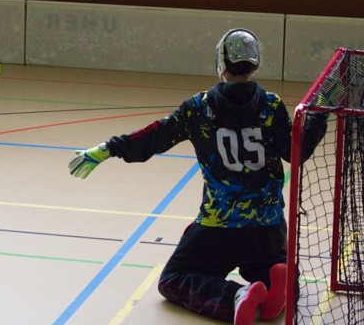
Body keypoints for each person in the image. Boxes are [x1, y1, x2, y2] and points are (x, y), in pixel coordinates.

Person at [67, 29, 328, 325]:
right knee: (269, 263)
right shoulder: (271, 104)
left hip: (221, 225)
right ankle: (276, 283)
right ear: (255, 64)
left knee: (174, 277)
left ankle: (236, 296)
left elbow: (155, 136)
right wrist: (320, 112)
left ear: (221, 62)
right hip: (268, 226)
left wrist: (109, 148)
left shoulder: (199, 107)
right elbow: (297, 150)